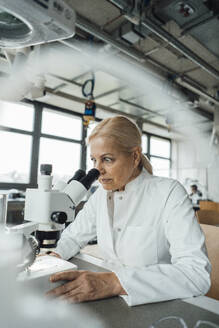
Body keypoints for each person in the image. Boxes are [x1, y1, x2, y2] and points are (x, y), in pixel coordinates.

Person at [46, 116, 211, 307]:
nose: (98, 170)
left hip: (158, 301)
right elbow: (73, 237)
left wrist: (114, 282)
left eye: (107, 159)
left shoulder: (168, 192)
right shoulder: (101, 195)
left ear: (135, 156)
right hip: (111, 301)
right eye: (94, 160)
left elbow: (196, 274)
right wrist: (53, 257)